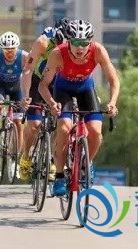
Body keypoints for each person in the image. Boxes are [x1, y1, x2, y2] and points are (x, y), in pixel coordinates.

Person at [39, 19, 119, 197]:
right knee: (64, 128)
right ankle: (60, 176)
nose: (80, 47)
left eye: (84, 43)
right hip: (63, 90)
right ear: (68, 41)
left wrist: (113, 102)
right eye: (75, 42)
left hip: (86, 89)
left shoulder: (98, 50)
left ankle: (86, 164)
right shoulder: (57, 54)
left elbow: (114, 80)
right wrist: (52, 103)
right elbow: (42, 85)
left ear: (90, 42)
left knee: (95, 132)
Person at [19, 19, 69, 180]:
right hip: (37, 80)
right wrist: (26, 95)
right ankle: (26, 157)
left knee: (61, 123)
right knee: (34, 125)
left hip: (58, 83)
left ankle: (53, 160)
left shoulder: (73, 46)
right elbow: (28, 69)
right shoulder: (43, 42)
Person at [0, 32, 29, 154]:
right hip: (2, 86)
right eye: (6, 50)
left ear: (17, 48)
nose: (9, 53)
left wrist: (27, 96)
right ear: (1, 49)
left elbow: (29, 78)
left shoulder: (24, 57)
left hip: (17, 87)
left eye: (12, 50)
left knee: (19, 123)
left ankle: (16, 157)